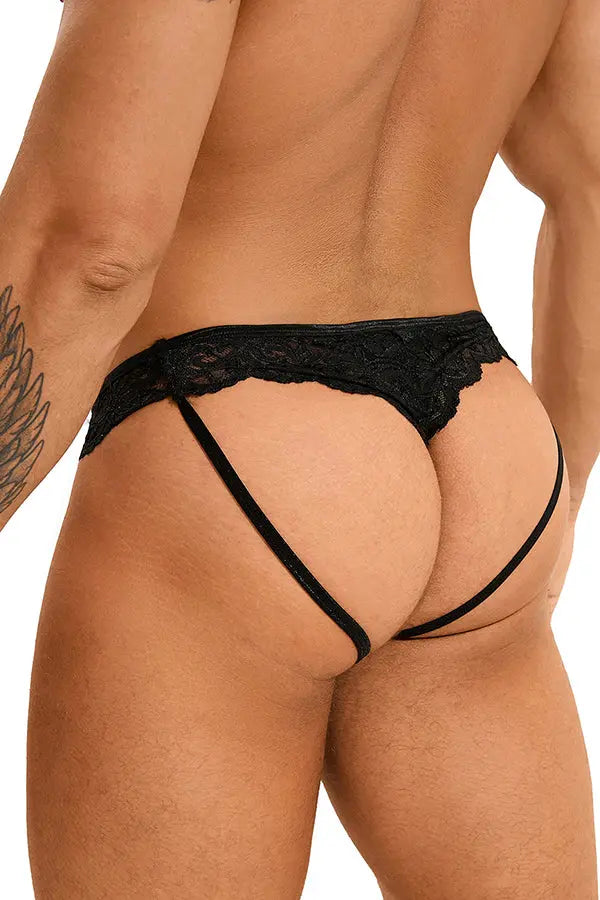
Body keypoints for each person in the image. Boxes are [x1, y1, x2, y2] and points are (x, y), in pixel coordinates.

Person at [0, 0, 597, 895]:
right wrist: (560, 499)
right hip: (490, 451)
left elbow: (89, 243)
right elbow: (590, 184)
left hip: (233, 445)